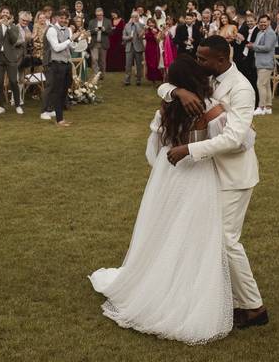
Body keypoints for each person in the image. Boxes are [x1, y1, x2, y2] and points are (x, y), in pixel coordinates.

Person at [89, 54, 252, 344]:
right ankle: (190, 293)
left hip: (167, 177)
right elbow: (243, 141)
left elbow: (152, 153)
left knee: (163, 232)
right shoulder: (212, 111)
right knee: (197, 237)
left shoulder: (165, 110)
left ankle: (158, 286)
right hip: (199, 176)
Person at [156, 37, 267, 330]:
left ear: (220, 60)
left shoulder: (242, 88)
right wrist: (178, 90)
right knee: (211, 239)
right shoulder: (207, 76)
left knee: (227, 241)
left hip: (234, 176)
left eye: (203, 59)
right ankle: (229, 301)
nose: (198, 62)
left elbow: (234, 138)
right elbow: (165, 83)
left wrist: (188, 150)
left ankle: (255, 308)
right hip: (208, 176)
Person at [44, 9, 79, 126]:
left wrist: (80, 40)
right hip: (57, 64)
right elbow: (57, 48)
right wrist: (71, 39)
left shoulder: (68, 29)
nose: (64, 20)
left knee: (65, 90)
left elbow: (71, 47)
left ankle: (59, 115)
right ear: (57, 18)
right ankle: (59, 120)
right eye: (62, 18)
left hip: (67, 64)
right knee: (58, 91)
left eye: (66, 18)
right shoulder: (51, 30)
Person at [0, 7, 25, 115]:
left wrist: (8, 26)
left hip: (10, 57)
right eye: (3, 12)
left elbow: (14, 39)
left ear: (9, 15)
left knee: (13, 81)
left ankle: (18, 105)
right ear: (0, 14)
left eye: (7, 12)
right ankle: (1, 106)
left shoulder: (14, 27)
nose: (5, 14)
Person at [250, 14, 278, 116]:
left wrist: (253, 47)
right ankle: (268, 107)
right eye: (261, 22)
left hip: (266, 63)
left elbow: (267, 47)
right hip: (260, 62)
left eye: (264, 22)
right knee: (266, 85)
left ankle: (261, 107)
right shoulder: (259, 33)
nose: (262, 24)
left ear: (269, 22)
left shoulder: (270, 33)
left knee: (260, 84)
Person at [88, 8, 112, 78]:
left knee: (102, 61)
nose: (99, 16)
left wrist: (105, 30)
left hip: (103, 43)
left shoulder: (108, 21)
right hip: (94, 43)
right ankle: (96, 75)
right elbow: (88, 32)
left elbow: (111, 32)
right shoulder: (91, 22)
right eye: (98, 15)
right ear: (96, 15)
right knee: (94, 59)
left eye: (100, 15)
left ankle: (101, 75)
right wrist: (94, 30)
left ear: (103, 14)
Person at [123, 12, 146, 86]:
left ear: (138, 17)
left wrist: (136, 24)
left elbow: (140, 35)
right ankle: (127, 80)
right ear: (131, 17)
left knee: (139, 65)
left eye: (136, 17)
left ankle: (138, 80)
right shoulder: (127, 25)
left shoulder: (141, 25)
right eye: (133, 17)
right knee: (128, 64)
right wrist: (129, 37)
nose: (134, 18)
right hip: (129, 47)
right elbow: (123, 36)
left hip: (138, 47)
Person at [144, 17, 164, 84]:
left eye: (152, 23)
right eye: (149, 23)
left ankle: (158, 78)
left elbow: (158, 41)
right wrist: (144, 30)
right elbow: (140, 36)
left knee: (155, 63)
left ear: (154, 23)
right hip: (148, 48)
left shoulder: (158, 30)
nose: (150, 24)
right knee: (149, 63)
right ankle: (152, 78)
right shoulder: (147, 30)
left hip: (155, 48)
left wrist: (155, 34)